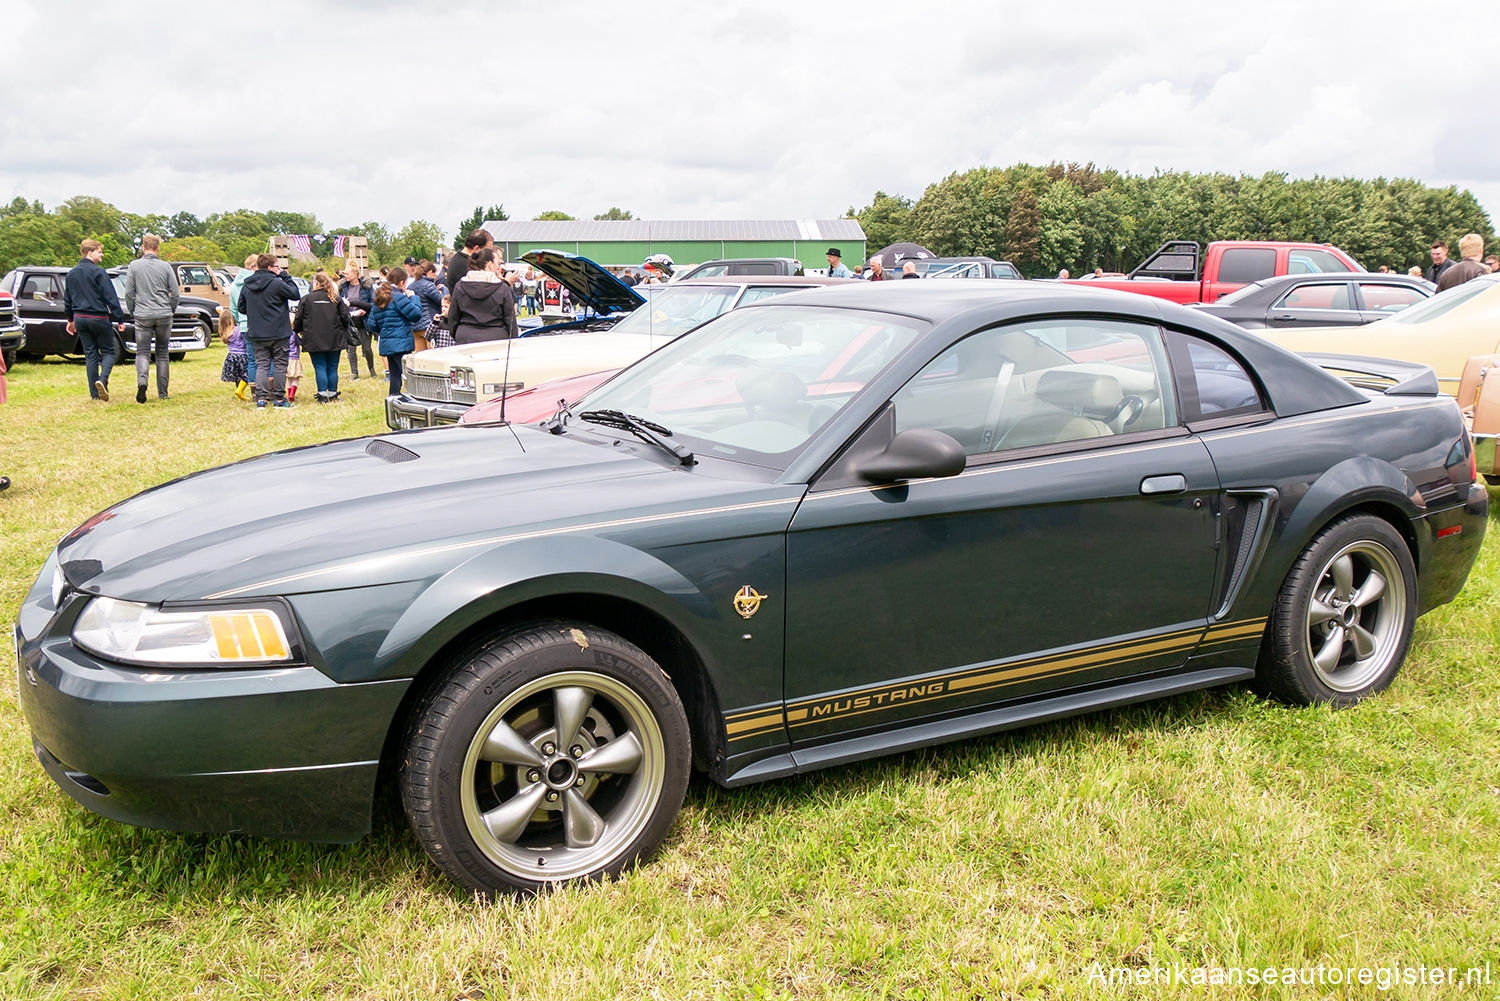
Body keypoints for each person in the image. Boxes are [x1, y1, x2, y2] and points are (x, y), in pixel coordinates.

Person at [63, 238, 127, 401]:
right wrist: (119, 319)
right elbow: (110, 297)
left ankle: (94, 394)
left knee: (90, 354)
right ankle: (103, 380)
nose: (102, 254)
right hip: (98, 317)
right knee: (108, 352)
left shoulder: (71, 274)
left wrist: (70, 320)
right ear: (89, 252)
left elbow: (68, 299)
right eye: (99, 251)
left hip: (80, 318)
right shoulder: (99, 272)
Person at [237, 254, 301, 408]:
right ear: (270, 267)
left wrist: (256, 313)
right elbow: (295, 294)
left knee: (262, 365)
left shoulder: (247, 285)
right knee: (279, 365)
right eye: (277, 266)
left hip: (257, 332)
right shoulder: (277, 283)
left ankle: (261, 399)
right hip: (278, 330)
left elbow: (241, 307)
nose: (278, 269)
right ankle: (279, 399)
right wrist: (285, 275)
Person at [122, 233, 179, 403]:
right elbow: (175, 293)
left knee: (142, 351)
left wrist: (132, 310)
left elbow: (129, 293)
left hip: (142, 314)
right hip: (163, 313)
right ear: (157, 248)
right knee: (162, 353)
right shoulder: (166, 267)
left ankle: (142, 382)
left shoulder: (134, 266)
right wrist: (171, 308)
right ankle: (163, 392)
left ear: (143, 247)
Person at [293, 269, 352, 401]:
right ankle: (332, 393)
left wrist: (297, 330)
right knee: (332, 366)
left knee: (319, 366)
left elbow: (299, 319)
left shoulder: (306, 299)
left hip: (314, 337)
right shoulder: (335, 298)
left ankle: (322, 395)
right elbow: (345, 317)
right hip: (334, 337)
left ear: (315, 283)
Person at [446, 248, 519, 344]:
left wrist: (457, 334)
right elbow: (510, 321)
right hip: (496, 339)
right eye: (497, 263)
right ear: (490, 265)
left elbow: (453, 318)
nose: (499, 267)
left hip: (465, 337)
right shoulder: (502, 289)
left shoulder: (460, 286)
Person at [368, 265, 422, 395]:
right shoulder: (398, 297)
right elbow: (416, 315)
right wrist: (414, 298)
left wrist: (385, 330)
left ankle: (394, 398)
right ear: (402, 282)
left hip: (387, 342)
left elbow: (371, 324)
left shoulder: (379, 298)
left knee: (395, 376)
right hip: (401, 342)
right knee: (408, 376)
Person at [339, 264, 376, 379]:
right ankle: (354, 373)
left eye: (348, 273)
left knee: (367, 348)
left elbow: (373, 303)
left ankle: (372, 370)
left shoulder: (366, 287)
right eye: (345, 273)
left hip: (363, 321)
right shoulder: (343, 288)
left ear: (355, 274)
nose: (345, 275)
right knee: (351, 349)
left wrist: (365, 309)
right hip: (350, 320)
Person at [229, 254, 260, 386]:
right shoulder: (255, 282)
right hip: (258, 324)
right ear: (253, 267)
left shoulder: (234, 285)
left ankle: (254, 390)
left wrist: (240, 321)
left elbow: (233, 309)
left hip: (243, 325)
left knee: (251, 359)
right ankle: (266, 389)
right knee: (264, 360)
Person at [410, 261, 445, 352]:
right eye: (434, 272)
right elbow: (442, 301)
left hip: (415, 326)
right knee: (432, 355)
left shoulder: (411, 286)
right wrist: (444, 289)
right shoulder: (429, 285)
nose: (436, 275)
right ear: (429, 272)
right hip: (428, 325)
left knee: (420, 357)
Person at [447, 228, 493, 293]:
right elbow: (479, 292)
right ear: (476, 248)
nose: (490, 254)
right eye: (487, 251)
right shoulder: (463, 265)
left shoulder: (459, 260)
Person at [220, 321, 250, 399]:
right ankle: (239, 390)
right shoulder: (238, 329)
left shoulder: (224, 331)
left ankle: (240, 395)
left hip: (231, 356)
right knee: (247, 374)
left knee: (237, 376)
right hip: (242, 355)